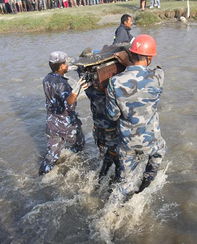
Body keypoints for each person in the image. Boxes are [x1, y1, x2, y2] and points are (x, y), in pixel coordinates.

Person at [106, 34, 166, 200]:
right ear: (149, 58)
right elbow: (148, 73)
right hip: (152, 140)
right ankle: (145, 186)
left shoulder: (115, 82)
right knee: (158, 154)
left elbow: (113, 115)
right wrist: (130, 65)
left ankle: (117, 209)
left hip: (128, 142)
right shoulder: (158, 77)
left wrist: (126, 67)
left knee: (125, 183)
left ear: (130, 55)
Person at [39, 51, 87, 175]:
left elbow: (58, 74)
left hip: (51, 122)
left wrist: (73, 68)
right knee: (79, 144)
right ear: (61, 66)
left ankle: (43, 175)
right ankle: (78, 168)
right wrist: (76, 89)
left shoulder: (47, 79)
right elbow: (69, 104)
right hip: (66, 124)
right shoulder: (63, 84)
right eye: (66, 64)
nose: (67, 65)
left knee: (51, 154)